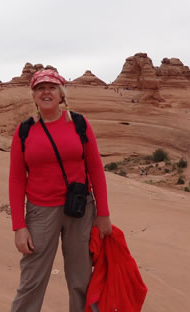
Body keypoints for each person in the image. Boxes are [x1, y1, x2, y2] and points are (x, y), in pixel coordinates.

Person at [9, 69, 112, 312]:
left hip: (80, 209)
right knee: (32, 280)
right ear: (34, 96)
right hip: (40, 212)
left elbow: (95, 167)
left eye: (51, 87)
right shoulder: (24, 131)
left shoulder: (79, 124)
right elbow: (16, 179)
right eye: (40, 88)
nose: (46, 92)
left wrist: (103, 213)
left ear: (61, 94)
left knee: (81, 279)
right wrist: (19, 226)